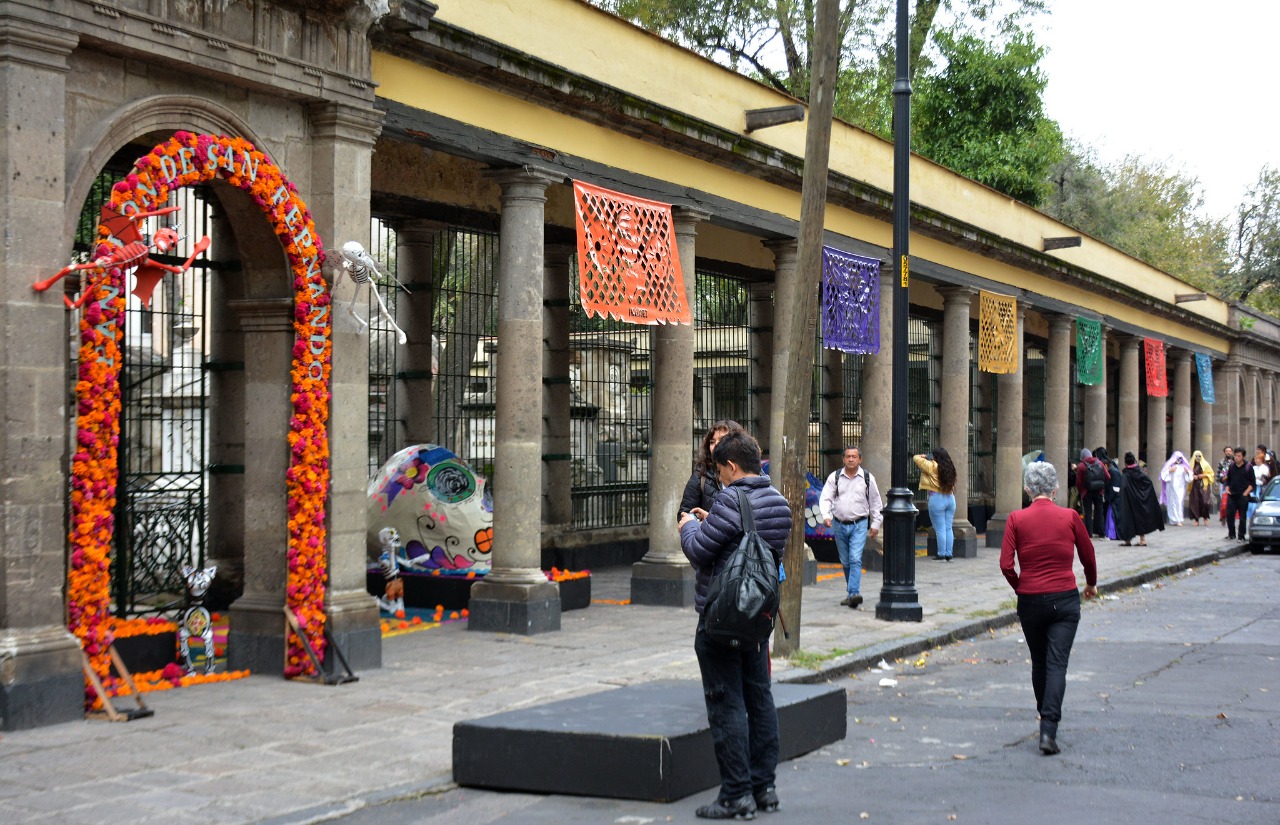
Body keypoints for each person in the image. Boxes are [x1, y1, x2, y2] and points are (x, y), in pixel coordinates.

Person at [678, 429, 791, 819]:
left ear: (730, 465)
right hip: (758, 619)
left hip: (723, 618)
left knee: (726, 704)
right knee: (760, 699)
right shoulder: (778, 501)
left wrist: (689, 525)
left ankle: (735, 794)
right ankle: (766, 788)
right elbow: (751, 540)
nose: (720, 478)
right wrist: (714, 522)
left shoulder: (729, 498)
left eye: (721, 470)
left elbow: (698, 550)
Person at [999, 462, 1098, 756]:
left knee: (1040, 661)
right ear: (1055, 490)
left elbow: (1005, 564)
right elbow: (1088, 554)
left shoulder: (1016, 518)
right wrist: (1091, 583)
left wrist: (1021, 585)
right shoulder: (1069, 516)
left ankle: (1044, 713)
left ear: (1027, 489)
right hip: (1064, 597)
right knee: (1057, 664)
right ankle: (1049, 729)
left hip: (1030, 599)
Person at [819, 447, 884, 608]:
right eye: (848, 456)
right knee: (845, 560)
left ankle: (854, 592)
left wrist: (876, 524)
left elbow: (876, 503)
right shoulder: (835, 477)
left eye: (854, 456)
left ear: (860, 459)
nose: (851, 459)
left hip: (859, 524)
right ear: (843, 459)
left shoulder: (868, 478)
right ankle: (851, 593)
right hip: (839, 524)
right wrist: (826, 516)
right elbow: (825, 498)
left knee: (855, 558)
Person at [680, 420, 742, 522]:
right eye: (712, 442)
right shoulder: (701, 474)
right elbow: (685, 513)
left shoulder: (752, 473)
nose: (716, 445)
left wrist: (711, 519)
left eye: (722, 440)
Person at [915, 447, 958, 561]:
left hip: (937, 498)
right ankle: (949, 553)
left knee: (940, 529)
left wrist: (925, 457)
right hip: (950, 498)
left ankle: (941, 554)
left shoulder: (932, 466)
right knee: (948, 528)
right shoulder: (950, 467)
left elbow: (915, 458)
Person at [1115, 451, 1164, 546]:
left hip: (1129, 501)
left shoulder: (1126, 474)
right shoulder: (1139, 472)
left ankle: (1127, 540)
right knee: (1140, 519)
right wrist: (1143, 494)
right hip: (1140, 500)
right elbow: (1148, 482)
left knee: (1128, 519)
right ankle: (1142, 540)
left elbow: (1124, 487)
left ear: (1126, 462)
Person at [1075, 448, 1110, 538]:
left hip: (1086, 491)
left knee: (1088, 513)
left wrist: (1081, 490)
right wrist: (1101, 485)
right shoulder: (1100, 463)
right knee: (1099, 512)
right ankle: (1101, 533)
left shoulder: (1081, 466)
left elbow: (1078, 482)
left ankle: (1089, 533)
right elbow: (1107, 476)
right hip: (1099, 491)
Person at [1224, 447, 1254, 541]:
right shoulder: (1232, 466)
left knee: (1242, 516)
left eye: (1239, 456)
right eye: (1235, 455)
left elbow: (1252, 483)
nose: (1236, 458)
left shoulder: (1248, 467)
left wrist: (1245, 493)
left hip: (1243, 495)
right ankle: (1231, 534)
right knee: (1229, 515)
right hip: (1232, 494)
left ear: (1243, 457)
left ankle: (1241, 536)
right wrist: (1227, 488)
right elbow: (1229, 479)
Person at [1158, 451, 1194, 527]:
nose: (1178, 460)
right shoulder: (1170, 466)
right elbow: (1163, 475)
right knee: (1171, 502)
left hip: (1180, 488)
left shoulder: (1184, 467)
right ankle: (1173, 520)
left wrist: (1187, 472)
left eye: (1180, 458)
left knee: (1179, 502)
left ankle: (1179, 519)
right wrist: (1169, 470)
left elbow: (1189, 478)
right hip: (1170, 487)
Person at [1186, 450, 1216, 526]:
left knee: (1205, 502)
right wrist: (1193, 476)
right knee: (1195, 502)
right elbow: (1187, 475)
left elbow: (1211, 474)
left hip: (1204, 485)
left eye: (1199, 456)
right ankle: (1196, 519)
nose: (1198, 457)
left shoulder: (1206, 464)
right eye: (1196, 456)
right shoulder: (1190, 465)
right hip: (1194, 485)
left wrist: (1202, 476)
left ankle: (1205, 517)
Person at [1217, 446, 1235, 524]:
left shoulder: (1234, 462)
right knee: (1223, 502)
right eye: (1227, 451)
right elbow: (1218, 473)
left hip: (1232, 484)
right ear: (1224, 452)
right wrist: (1216, 484)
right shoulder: (1221, 462)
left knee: (1231, 502)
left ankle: (1229, 517)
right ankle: (1223, 516)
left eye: (1230, 451)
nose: (1228, 452)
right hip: (1223, 484)